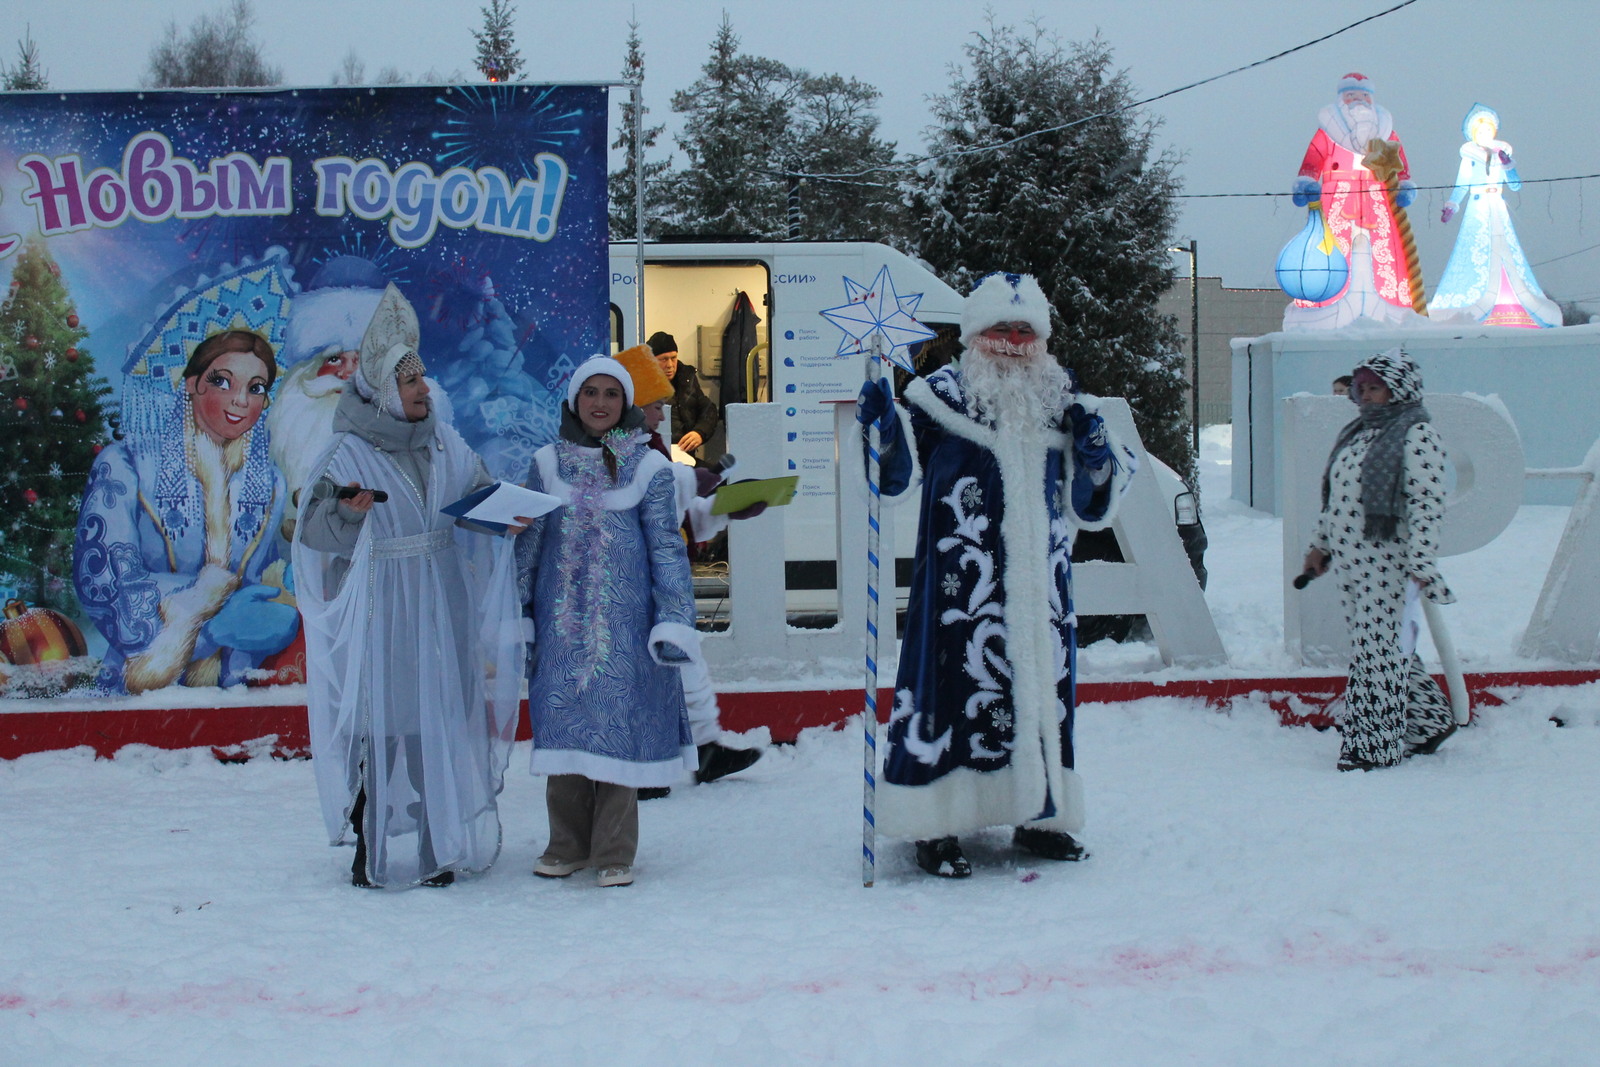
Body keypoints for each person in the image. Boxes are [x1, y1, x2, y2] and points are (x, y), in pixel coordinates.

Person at [857, 272, 1136, 878]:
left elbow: (1091, 505)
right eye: (999, 328)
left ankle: (1039, 815)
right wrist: (881, 427)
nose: (1012, 340)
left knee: (1041, 698)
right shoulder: (936, 397)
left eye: (1024, 329)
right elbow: (895, 478)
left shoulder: (1064, 402)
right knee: (949, 690)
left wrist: (1095, 459)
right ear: (974, 335)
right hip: (961, 585)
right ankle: (937, 824)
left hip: (1042, 587)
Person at [293, 284, 524, 889]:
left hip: (440, 598)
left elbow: (475, 495)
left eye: (423, 380)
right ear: (381, 392)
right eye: (410, 383)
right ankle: (368, 844)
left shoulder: (446, 442)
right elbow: (313, 532)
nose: (423, 391)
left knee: (434, 725)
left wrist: (511, 512)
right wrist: (347, 513)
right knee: (383, 722)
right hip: (382, 607)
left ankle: (432, 843)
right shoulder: (346, 452)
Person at [515, 356, 700, 888]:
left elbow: (667, 547)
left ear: (626, 405)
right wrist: (521, 617)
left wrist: (673, 620)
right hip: (559, 625)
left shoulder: (648, 466)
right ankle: (566, 843)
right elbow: (528, 548)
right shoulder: (546, 463)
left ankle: (614, 850)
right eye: (590, 393)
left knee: (620, 732)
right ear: (575, 401)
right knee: (565, 725)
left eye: (611, 395)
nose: (600, 403)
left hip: (626, 628)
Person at [74, 290, 299, 695]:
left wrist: (275, 610)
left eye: (256, 388)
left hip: (237, 688)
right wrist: (208, 620)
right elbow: (104, 583)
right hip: (137, 690)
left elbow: (266, 576)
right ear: (192, 384)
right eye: (222, 381)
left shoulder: (270, 481)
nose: (239, 400)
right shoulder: (126, 464)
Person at [614, 342, 764, 797]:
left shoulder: (653, 448)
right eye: (655, 405)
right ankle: (644, 764)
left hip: (662, 580)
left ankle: (699, 750)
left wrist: (725, 508)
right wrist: (710, 489)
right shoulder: (627, 454)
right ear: (636, 406)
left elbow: (681, 517)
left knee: (683, 663)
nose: (663, 413)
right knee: (650, 669)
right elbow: (660, 504)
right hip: (634, 583)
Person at [1302, 348, 1458, 772]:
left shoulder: (1417, 433)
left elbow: (1427, 504)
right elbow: (1336, 502)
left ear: (1399, 390)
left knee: (1377, 653)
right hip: (1354, 563)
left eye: (1377, 388)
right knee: (1382, 648)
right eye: (1363, 388)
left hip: (1390, 563)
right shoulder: (1358, 432)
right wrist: (1320, 546)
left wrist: (1422, 564)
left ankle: (1370, 746)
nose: (1367, 396)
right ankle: (1430, 722)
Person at [1288, 72, 1423, 328]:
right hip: (1337, 195)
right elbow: (1313, 158)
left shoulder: (1385, 131)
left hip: (1376, 198)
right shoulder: (1328, 131)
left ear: (1371, 99)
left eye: (1363, 96)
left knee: (1382, 251)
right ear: (1342, 99)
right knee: (1334, 248)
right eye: (1351, 96)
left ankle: (1389, 303)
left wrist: (1404, 183)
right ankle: (1328, 302)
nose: (1358, 101)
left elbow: (1399, 161)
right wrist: (1307, 180)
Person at [1430, 104, 1562, 328]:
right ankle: (1469, 301)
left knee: (1504, 248)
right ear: (1474, 135)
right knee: (1477, 249)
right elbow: (1462, 185)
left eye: (1488, 130)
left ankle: (1516, 299)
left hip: (1498, 206)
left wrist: (1509, 166)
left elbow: (1516, 186)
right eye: (1480, 131)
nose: (1485, 135)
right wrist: (1453, 204)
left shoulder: (1503, 154)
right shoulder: (1470, 157)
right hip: (1477, 206)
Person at [646, 331, 719, 460]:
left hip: (684, 455)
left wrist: (699, 432)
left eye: (673, 358)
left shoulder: (687, 378)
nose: (670, 365)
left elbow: (708, 409)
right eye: (663, 359)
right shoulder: (638, 385)